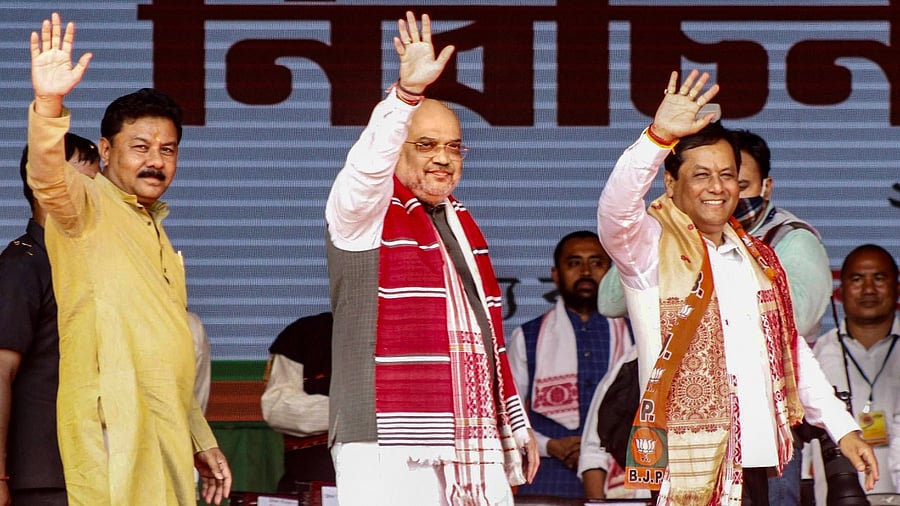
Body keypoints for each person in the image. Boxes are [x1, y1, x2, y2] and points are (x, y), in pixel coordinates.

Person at [596, 69, 877, 504]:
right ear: (671, 183)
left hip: (756, 464)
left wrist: (842, 428)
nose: (717, 187)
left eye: (728, 175)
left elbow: (790, 351)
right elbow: (616, 208)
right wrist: (657, 138)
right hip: (685, 468)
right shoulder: (648, 249)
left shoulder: (758, 259)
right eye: (701, 175)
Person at [324, 11, 538, 505]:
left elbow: (484, 341)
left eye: (453, 148)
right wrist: (404, 97)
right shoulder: (362, 215)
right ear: (396, 151)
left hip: (473, 435)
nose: (442, 157)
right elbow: (366, 168)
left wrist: (513, 421)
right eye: (425, 145)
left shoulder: (460, 225)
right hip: (384, 440)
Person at [26, 13, 230, 505]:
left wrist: (201, 438)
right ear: (105, 149)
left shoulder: (154, 227)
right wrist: (50, 103)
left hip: (165, 435)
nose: (155, 161)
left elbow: (167, 357)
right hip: (111, 429)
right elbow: (48, 175)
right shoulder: (85, 205)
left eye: (168, 150)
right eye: (140, 147)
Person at [0, 134, 99, 506]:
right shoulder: (22, 264)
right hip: (38, 479)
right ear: (43, 185)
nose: (94, 198)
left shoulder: (82, 264)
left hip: (83, 470)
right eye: (83, 184)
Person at [508, 231, 632, 498]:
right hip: (544, 484)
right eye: (574, 263)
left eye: (596, 263)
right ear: (555, 274)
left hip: (620, 484)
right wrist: (551, 445)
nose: (586, 271)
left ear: (611, 272)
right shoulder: (527, 337)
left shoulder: (636, 334)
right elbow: (507, 415)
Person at [810, 244, 900, 503]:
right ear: (840, 290)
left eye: (879, 278)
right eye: (857, 279)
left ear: (897, 287)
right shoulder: (817, 356)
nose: (869, 289)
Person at [260, 311, 335, 492]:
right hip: (310, 488)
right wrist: (351, 412)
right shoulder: (305, 333)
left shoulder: (409, 334)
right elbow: (277, 407)